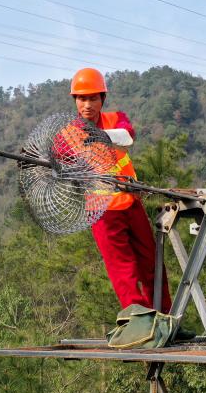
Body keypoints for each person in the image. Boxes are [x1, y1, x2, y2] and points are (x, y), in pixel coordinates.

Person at [70, 68, 174, 315]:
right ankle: (139, 319)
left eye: (93, 98)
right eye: (82, 99)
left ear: (102, 99)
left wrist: (98, 136)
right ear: (75, 100)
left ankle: (165, 317)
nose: (87, 105)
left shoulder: (116, 119)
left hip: (130, 201)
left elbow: (128, 136)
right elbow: (57, 158)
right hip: (102, 210)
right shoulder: (68, 133)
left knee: (151, 262)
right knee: (122, 267)